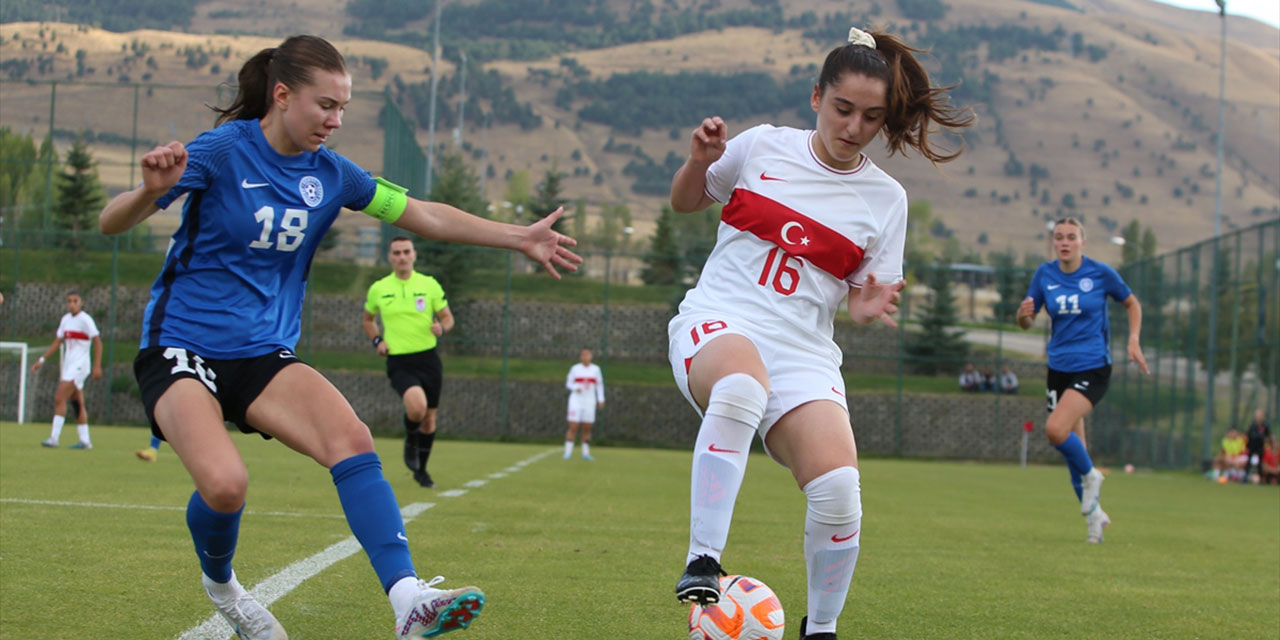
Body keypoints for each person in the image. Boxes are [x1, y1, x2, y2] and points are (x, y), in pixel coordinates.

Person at [97, 35, 579, 640]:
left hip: (262, 353)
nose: (336, 120)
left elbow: (424, 214)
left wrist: (519, 237)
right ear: (281, 96)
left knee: (351, 438)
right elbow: (111, 221)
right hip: (179, 347)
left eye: (344, 107)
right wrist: (146, 190)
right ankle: (224, 588)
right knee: (225, 485)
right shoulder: (222, 152)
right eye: (325, 105)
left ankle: (409, 601)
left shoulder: (334, 175)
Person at [666, 27, 972, 640]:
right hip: (720, 320)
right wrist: (699, 161)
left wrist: (865, 308)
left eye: (871, 116)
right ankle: (703, 560)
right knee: (740, 388)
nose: (854, 125)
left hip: (805, 351)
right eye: (842, 108)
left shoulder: (887, 200)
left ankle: (821, 629)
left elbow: (862, 298)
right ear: (815, 97)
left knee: (839, 492)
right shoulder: (761, 148)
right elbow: (685, 202)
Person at [1016, 217, 1149, 544]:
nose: (1064, 242)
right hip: (1058, 369)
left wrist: (1133, 339)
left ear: (1082, 243)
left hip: (1092, 367)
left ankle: (1093, 477)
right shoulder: (1044, 274)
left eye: (1071, 237)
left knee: (1055, 430)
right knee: (1076, 450)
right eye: (1059, 237)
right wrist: (1023, 315)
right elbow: (1027, 320)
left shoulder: (1100, 273)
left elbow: (1132, 303)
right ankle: (1095, 520)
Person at [362, 236, 455, 489]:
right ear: (389, 257)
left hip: (428, 359)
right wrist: (377, 340)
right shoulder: (379, 288)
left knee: (429, 419)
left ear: (414, 255)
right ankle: (410, 440)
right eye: (396, 253)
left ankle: (422, 471)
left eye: (406, 252)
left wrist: (441, 328)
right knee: (417, 407)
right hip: (399, 360)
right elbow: (368, 320)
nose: (402, 257)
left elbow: (447, 318)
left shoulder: (429, 284)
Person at [33, 290, 102, 450]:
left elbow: (97, 341)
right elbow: (58, 342)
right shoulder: (65, 320)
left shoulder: (85, 320)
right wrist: (42, 360)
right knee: (76, 402)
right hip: (69, 365)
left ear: (81, 302)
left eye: (75, 301)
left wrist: (97, 365)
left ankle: (54, 438)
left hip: (80, 365)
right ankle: (85, 441)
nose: (72, 304)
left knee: (59, 397)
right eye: (69, 301)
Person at [563, 347, 605, 461]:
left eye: (587, 355)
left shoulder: (596, 369)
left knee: (587, 428)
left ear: (591, 356)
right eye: (583, 355)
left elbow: (599, 385)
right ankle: (568, 452)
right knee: (573, 426)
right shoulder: (575, 369)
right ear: (580, 357)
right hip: (576, 401)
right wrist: (575, 387)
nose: (585, 357)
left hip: (589, 401)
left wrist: (601, 399)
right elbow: (568, 383)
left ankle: (585, 453)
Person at [1243, 408, 1271, 484]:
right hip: (1252, 446)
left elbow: (1268, 437)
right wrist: (1247, 445)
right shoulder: (1252, 425)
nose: (1258, 417)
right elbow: (1248, 435)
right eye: (1257, 415)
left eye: (1260, 415)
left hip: (1260, 447)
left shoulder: (1265, 426)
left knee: (1259, 464)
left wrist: (1266, 440)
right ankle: (1245, 479)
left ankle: (1260, 480)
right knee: (1248, 463)